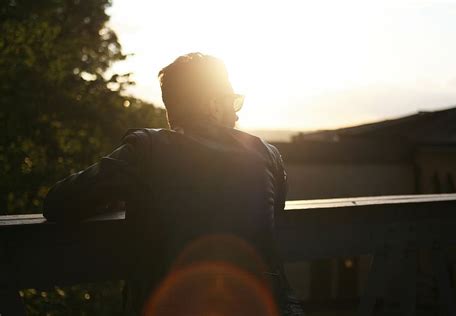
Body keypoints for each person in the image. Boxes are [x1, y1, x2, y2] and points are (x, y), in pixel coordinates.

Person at [43, 52, 304, 316]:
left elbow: (59, 202)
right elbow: (274, 216)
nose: (236, 116)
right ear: (213, 104)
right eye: (232, 102)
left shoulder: (147, 151)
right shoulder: (266, 155)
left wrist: (114, 196)